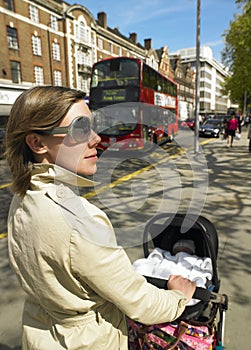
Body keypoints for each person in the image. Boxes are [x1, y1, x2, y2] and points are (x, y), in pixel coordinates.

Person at [5, 86, 196, 350]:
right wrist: (178, 297)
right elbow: (139, 302)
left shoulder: (22, 197)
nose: (96, 138)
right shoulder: (80, 220)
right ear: (37, 143)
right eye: (80, 129)